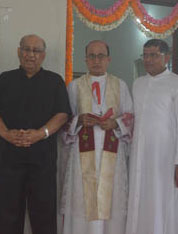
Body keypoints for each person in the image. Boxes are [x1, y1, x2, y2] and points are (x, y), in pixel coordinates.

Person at [0, 34, 71, 234]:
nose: (30, 55)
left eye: (36, 50)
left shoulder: (54, 81)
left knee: (44, 218)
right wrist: (6, 133)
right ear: (18, 52)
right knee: (8, 218)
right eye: (26, 49)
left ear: (43, 55)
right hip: (8, 161)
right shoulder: (5, 79)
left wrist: (41, 133)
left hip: (42, 163)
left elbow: (62, 114)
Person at [60, 40, 133, 234]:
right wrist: (79, 120)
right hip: (82, 155)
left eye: (101, 56)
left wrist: (115, 123)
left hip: (112, 155)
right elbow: (64, 120)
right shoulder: (74, 86)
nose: (96, 60)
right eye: (92, 56)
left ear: (108, 59)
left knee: (111, 200)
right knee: (82, 200)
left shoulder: (121, 85)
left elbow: (130, 117)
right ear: (85, 59)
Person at [126, 39, 178, 234]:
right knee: (140, 196)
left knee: (161, 199)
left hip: (164, 157)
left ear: (166, 57)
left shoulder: (175, 83)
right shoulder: (138, 83)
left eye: (153, 55)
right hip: (139, 153)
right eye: (145, 55)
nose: (148, 60)